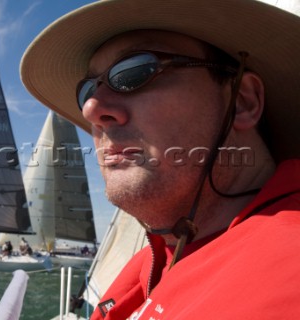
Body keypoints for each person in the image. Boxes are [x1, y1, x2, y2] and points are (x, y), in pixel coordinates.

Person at [20, 0, 300, 319]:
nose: (90, 110)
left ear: (242, 102)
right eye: (86, 91)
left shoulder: (286, 276)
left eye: (134, 71)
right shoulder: (162, 255)